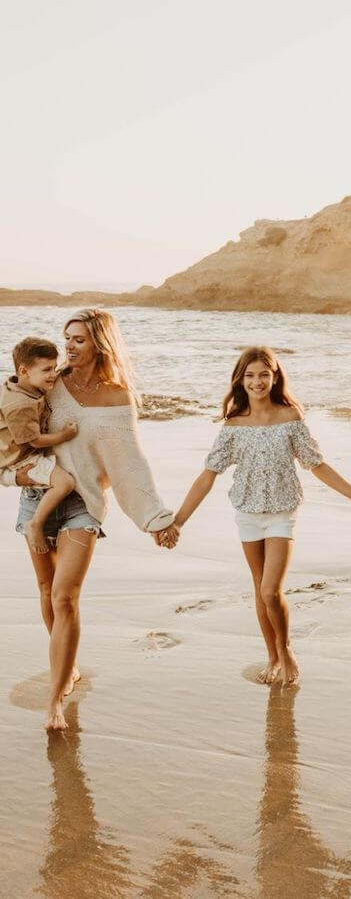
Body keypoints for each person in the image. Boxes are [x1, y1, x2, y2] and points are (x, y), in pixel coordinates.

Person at [14, 309, 178, 731]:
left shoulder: (117, 398)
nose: (68, 346)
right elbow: (13, 427)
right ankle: (66, 668)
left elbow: (130, 466)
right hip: (39, 497)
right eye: (67, 337)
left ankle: (55, 697)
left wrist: (156, 519)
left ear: (100, 344)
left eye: (79, 340)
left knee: (65, 596)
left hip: (84, 505)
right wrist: (11, 474)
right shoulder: (50, 383)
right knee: (48, 591)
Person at [172, 346, 351, 686]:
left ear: (275, 378)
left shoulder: (290, 418)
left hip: (281, 512)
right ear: (240, 381)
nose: (257, 382)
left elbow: (317, 464)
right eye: (250, 375)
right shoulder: (234, 425)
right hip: (247, 512)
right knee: (260, 590)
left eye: (263, 374)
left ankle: (286, 650)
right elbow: (207, 475)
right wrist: (179, 520)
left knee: (272, 590)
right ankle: (271, 657)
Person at [0, 338, 78, 552]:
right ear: (24, 371)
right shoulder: (20, 404)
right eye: (47, 370)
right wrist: (64, 435)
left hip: (17, 452)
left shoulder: (21, 385)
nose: (53, 374)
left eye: (54, 367)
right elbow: (33, 440)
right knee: (65, 483)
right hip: (21, 459)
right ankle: (35, 523)